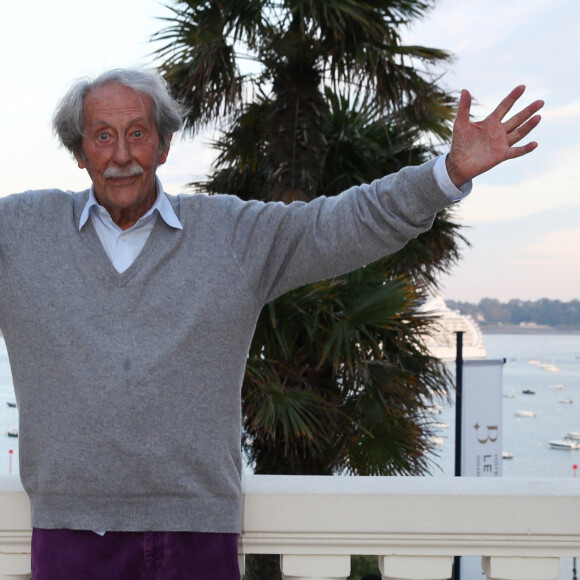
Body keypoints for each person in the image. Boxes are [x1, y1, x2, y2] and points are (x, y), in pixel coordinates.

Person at [1, 68, 542, 579]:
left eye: (137, 133)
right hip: (71, 532)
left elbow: (343, 224)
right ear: (79, 151)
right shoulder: (20, 234)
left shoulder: (230, 236)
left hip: (199, 532)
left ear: (163, 145)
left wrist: (445, 175)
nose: (121, 154)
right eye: (102, 135)